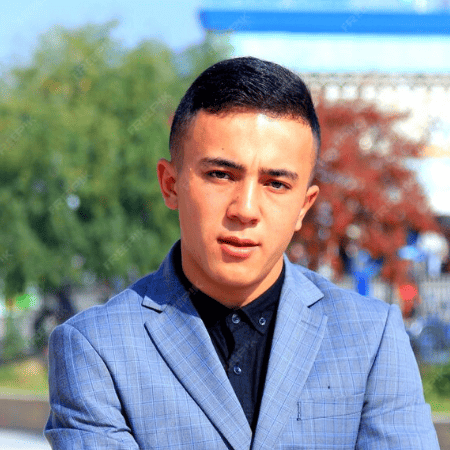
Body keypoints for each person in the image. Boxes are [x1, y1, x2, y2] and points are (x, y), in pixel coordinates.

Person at [45, 57, 439, 449]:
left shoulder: (371, 338)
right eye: (220, 175)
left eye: (276, 184)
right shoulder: (96, 348)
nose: (245, 209)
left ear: (304, 206)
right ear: (170, 184)